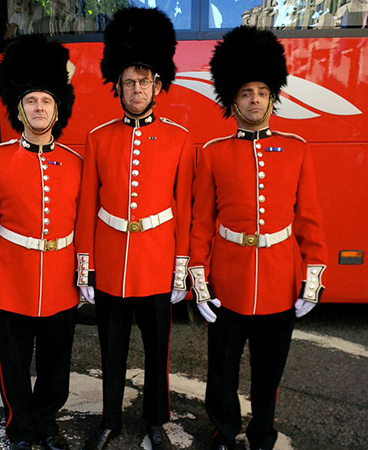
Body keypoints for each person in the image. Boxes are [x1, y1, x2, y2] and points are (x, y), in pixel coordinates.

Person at [188, 26, 328, 450]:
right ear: (233, 99)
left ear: (272, 97)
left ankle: (262, 432)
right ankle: (224, 430)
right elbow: (201, 223)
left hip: (278, 281)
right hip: (229, 282)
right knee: (221, 371)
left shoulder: (297, 148)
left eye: (262, 91)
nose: (254, 99)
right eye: (246, 91)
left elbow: (310, 221)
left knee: (270, 371)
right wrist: (199, 278)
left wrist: (314, 275)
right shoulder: (213, 152)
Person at [75, 7, 195, 450]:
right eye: (129, 81)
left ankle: (156, 420)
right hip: (109, 265)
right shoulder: (98, 137)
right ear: (118, 87)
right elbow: (88, 204)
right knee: (111, 349)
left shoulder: (180, 138)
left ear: (158, 85)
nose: (137, 88)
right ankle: (109, 420)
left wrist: (181, 266)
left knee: (158, 351)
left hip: (158, 263)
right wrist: (85, 265)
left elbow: (183, 209)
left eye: (145, 81)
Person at [0, 35, 81, 450]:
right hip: (13, 278)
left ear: (57, 109)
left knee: (57, 363)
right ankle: (20, 427)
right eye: (31, 101)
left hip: (59, 282)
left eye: (46, 101)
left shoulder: (74, 163)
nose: (38, 108)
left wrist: (83, 274)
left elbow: (80, 225)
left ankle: (47, 423)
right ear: (19, 109)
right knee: (13, 363)